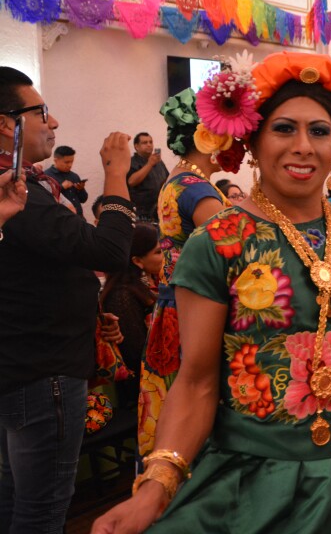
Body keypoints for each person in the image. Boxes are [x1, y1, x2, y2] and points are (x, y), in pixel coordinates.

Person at [92, 52, 331, 534]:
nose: (303, 147)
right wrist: (156, 488)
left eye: (318, 131)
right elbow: (196, 383)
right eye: (283, 129)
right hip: (264, 486)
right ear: (252, 139)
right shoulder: (217, 243)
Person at [0, 66, 135, 533]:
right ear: (7, 123)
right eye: (42, 112)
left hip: (26, 364)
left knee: (15, 498)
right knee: (40, 510)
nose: (53, 123)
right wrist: (117, 173)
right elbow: (111, 250)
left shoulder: (21, 188)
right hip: (43, 373)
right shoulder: (16, 193)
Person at [138, 88, 230, 456]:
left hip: (174, 304)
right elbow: (233, 252)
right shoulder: (198, 191)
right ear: (208, 136)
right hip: (194, 311)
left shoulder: (178, 180)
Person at [101, 223, 161, 407]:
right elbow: (136, 353)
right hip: (143, 390)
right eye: (158, 252)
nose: (164, 256)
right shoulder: (122, 296)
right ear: (137, 261)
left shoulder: (143, 284)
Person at [127, 131, 170, 223]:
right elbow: (131, 181)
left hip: (159, 212)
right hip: (141, 215)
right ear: (136, 146)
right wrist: (150, 164)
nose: (149, 145)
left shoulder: (158, 162)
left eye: (150, 142)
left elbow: (168, 179)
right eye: (145, 143)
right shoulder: (132, 162)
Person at [46, 144, 88, 217]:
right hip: (61, 219)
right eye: (67, 162)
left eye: (72, 162)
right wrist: (61, 187)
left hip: (79, 217)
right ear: (56, 160)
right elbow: (46, 200)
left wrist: (81, 189)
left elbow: (83, 200)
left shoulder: (74, 176)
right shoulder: (46, 176)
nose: (70, 165)